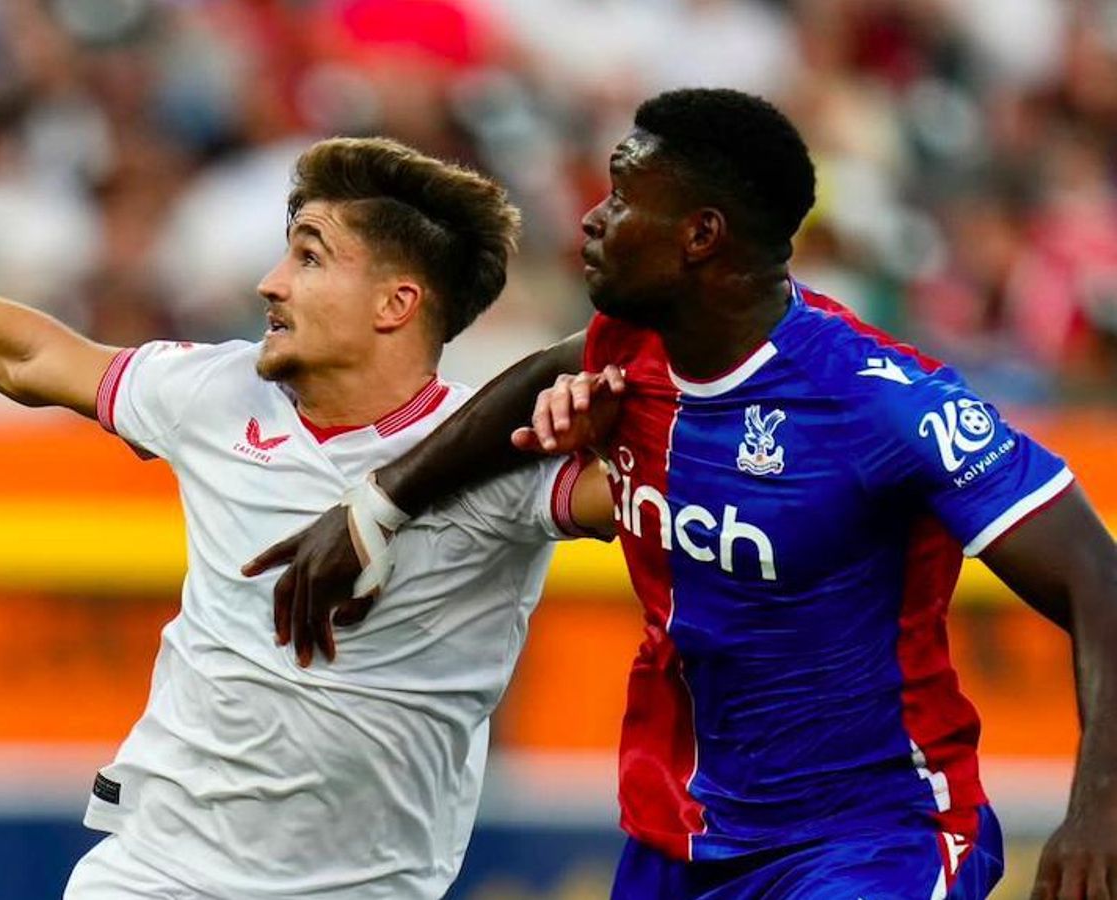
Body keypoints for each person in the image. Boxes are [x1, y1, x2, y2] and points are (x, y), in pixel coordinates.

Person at [244, 89, 1117, 899]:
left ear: (700, 236)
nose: (592, 216)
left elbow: (1098, 580)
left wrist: (1101, 810)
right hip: (680, 830)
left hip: (869, 838)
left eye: (621, 196)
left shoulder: (883, 404)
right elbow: (542, 372)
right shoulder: (631, 349)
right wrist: (378, 507)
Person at [0, 137, 622, 898]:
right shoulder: (217, 390)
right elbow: (33, 356)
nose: (269, 283)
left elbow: (648, 497)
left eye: (310, 258)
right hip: (159, 871)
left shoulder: (500, 452)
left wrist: (621, 411)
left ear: (396, 304)